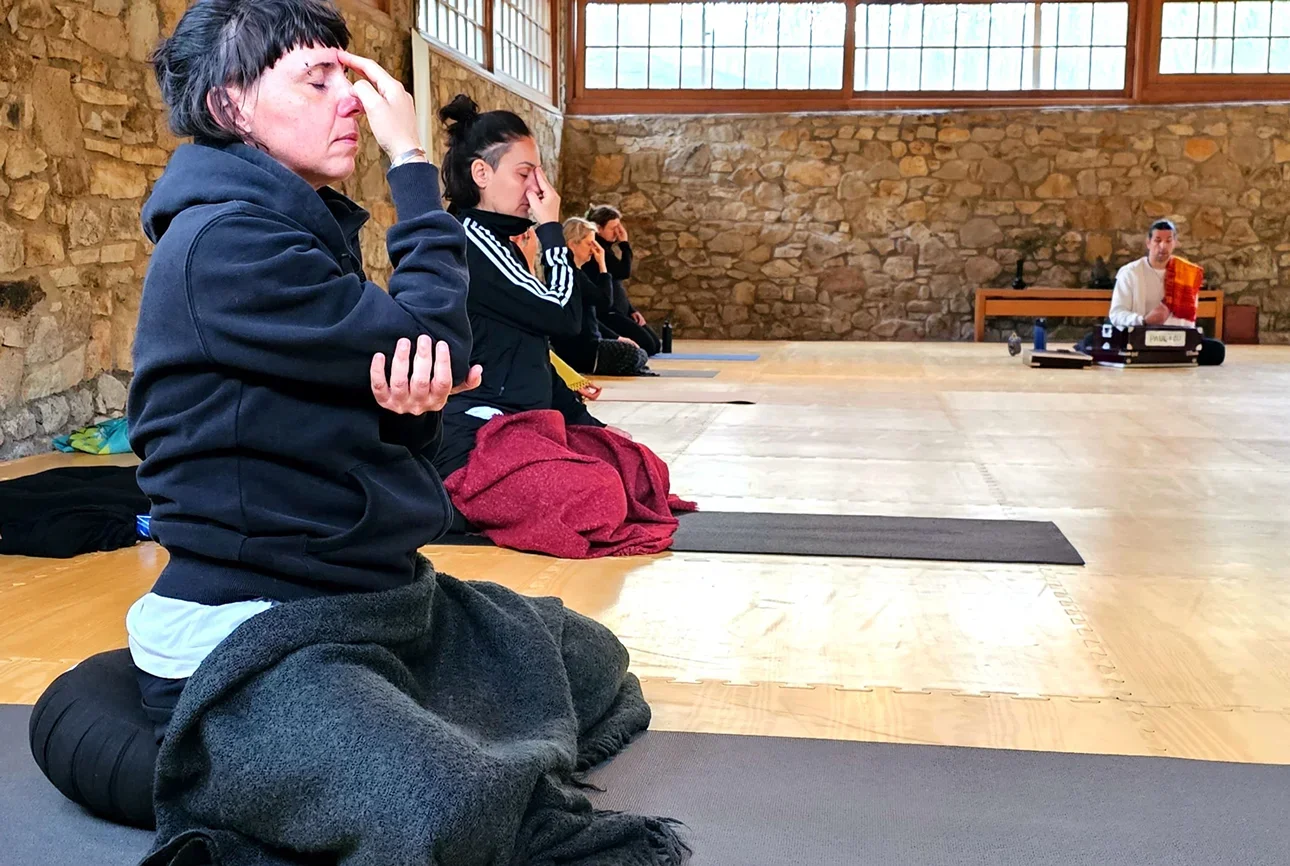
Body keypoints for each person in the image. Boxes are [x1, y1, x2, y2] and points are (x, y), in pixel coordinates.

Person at [123, 0, 479, 736]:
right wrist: (411, 163)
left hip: (337, 585)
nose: (351, 100)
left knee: (575, 654)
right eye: (318, 82)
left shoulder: (291, 225)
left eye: (346, 79)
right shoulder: (229, 244)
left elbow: (404, 392)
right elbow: (439, 343)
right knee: (448, 778)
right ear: (230, 107)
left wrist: (413, 401)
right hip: (248, 617)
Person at [432, 95, 630, 488]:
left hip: (523, 424)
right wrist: (552, 232)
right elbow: (563, 317)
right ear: (481, 173)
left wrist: (588, 424)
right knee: (596, 491)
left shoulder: (497, 244)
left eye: (538, 175)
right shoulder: (471, 244)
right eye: (525, 174)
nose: (537, 189)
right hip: (480, 430)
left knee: (631, 468)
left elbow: (532, 353)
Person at [1077, 219, 1225, 366]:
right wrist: (1144, 321)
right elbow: (1116, 314)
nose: (1163, 246)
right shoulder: (1130, 272)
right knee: (1092, 341)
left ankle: (1163, 355)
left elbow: (1188, 321)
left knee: (1217, 349)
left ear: (1175, 243)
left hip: (1173, 339)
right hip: (1138, 335)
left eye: (1168, 241)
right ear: (1148, 243)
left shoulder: (1186, 273)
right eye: (1157, 240)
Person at [553, 217, 650, 376]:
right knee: (636, 354)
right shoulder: (573, 274)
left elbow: (590, 318)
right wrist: (602, 266)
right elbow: (605, 302)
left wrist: (617, 337)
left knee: (639, 350)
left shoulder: (574, 272)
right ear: (572, 244)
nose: (593, 249)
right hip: (583, 350)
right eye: (589, 244)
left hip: (589, 344)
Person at [586, 204, 662, 355]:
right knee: (648, 345)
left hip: (621, 311)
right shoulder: (598, 250)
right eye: (613, 228)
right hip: (608, 314)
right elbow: (623, 272)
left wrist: (631, 310)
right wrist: (624, 244)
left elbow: (616, 284)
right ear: (599, 229)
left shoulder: (607, 248)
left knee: (655, 343)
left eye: (618, 227)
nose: (617, 232)